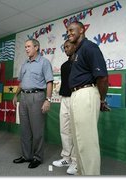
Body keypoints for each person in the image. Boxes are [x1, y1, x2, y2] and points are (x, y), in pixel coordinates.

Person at [66, 21, 109, 175]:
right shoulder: (77, 51)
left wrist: (101, 100)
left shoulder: (90, 47)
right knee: (79, 141)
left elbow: (102, 78)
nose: (69, 33)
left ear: (82, 29)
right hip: (76, 95)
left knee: (87, 142)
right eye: (67, 31)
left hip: (86, 93)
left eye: (72, 30)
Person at [12, 39, 54, 169]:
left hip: (37, 97)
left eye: (28, 46)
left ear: (36, 47)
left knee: (37, 130)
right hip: (23, 97)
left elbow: (49, 82)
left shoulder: (44, 62)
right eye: (25, 47)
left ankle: (37, 157)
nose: (26, 49)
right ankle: (26, 156)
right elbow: (21, 82)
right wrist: (16, 94)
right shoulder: (25, 64)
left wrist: (48, 100)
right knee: (25, 129)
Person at [52, 40, 78, 175]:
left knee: (75, 131)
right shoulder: (64, 65)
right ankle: (66, 158)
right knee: (64, 130)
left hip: (77, 98)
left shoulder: (81, 62)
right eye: (64, 47)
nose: (66, 49)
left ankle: (75, 161)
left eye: (68, 46)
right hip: (65, 99)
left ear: (75, 46)